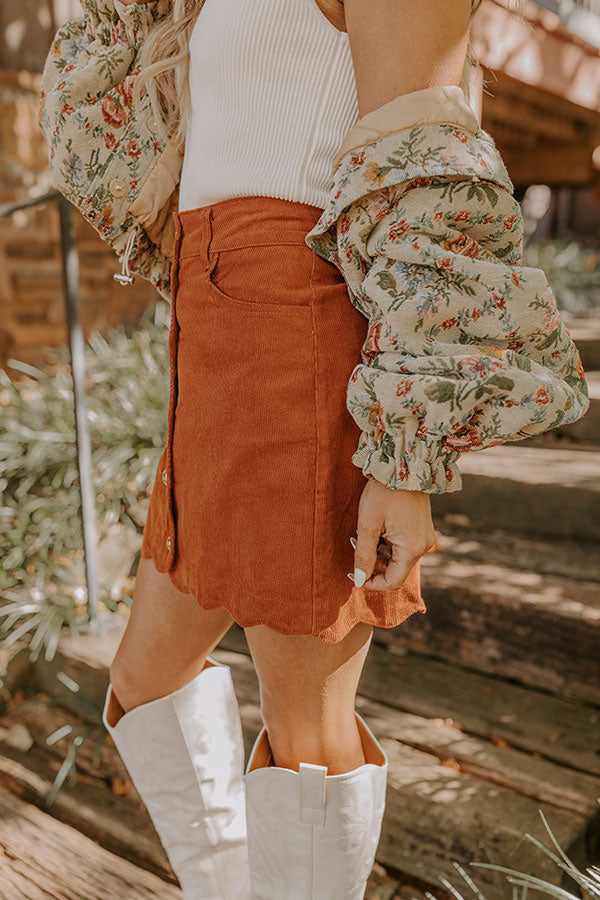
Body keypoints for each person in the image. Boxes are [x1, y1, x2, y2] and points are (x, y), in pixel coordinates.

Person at [39, 0, 589, 897]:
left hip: (294, 325)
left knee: (307, 736)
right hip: (209, 331)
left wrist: (399, 463)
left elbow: (425, 161)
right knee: (145, 674)